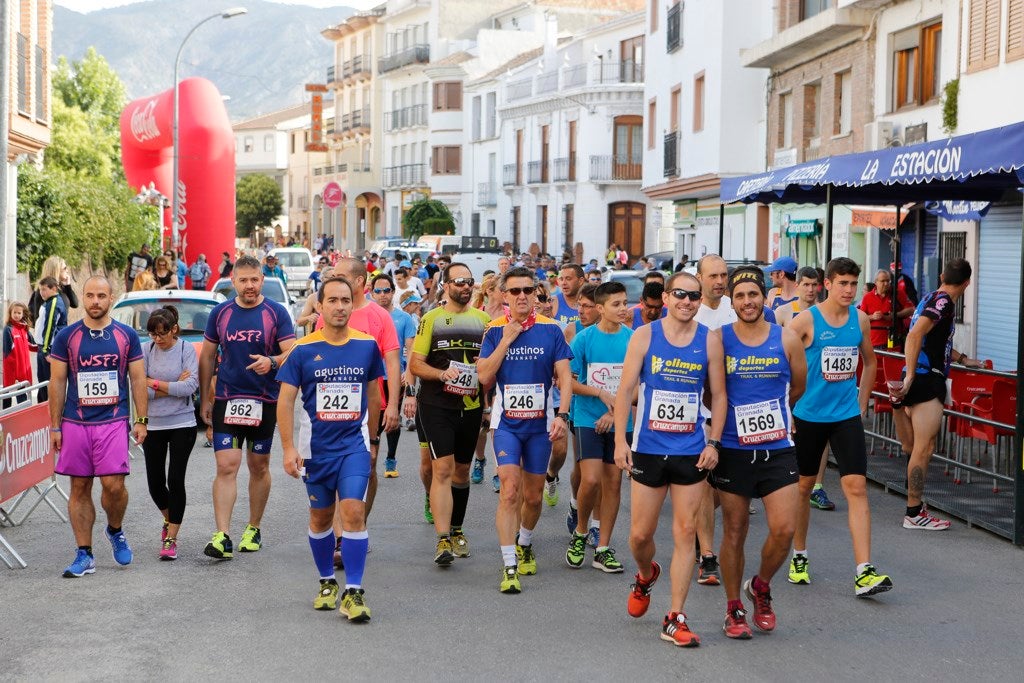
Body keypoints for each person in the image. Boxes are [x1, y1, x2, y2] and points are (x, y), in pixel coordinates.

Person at [615, 271, 725, 647]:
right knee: (640, 535)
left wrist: (714, 443)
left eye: (694, 296)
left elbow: (719, 396)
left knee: (685, 533)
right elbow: (626, 389)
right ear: (666, 297)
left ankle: (675, 617)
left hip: (690, 451)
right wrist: (620, 440)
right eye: (680, 294)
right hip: (647, 447)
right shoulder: (645, 337)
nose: (687, 301)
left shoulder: (709, 341)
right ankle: (646, 574)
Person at [278, 276, 384, 622]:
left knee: (353, 512)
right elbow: (286, 400)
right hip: (314, 450)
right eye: (333, 301)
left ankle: (353, 592)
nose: (340, 306)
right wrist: (288, 447)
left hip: (353, 446)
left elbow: (372, 396)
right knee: (320, 517)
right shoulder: (303, 349)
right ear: (319, 307)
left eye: (345, 300)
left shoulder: (367, 346)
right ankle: (327, 582)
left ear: (352, 305)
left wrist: (372, 441)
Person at [788, 257, 893, 597]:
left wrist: (862, 402)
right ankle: (799, 555)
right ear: (827, 284)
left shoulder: (860, 320)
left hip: (845, 416)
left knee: (857, 488)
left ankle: (865, 570)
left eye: (853, 284)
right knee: (803, 488)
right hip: (808, 415)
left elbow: (871, 361)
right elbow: (780, 360)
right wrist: (785, 408)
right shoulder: (805, 321)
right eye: (842, 284)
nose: (849, 290)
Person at [711, 267, 807, 638]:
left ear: (765, 296)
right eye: (739, 296)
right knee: (734, 530)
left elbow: (798, 385)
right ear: (731, 301)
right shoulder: (719, 339)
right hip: (734, 448)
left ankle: (761, 586)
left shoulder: (786, 339)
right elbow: (711, 392)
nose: (747, 302)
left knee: (784, 529)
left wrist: (777, 415)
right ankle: (734, 607)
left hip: (778, 447)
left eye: (753, 295)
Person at [477, 266, 572, 594]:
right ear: (504, 295)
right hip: (506, 425)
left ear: (536, 295)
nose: (521, 296)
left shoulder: (551, 330)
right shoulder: (493, 330)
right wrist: (506, 339)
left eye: (527, 291)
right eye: (514, 291)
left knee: (532, 496)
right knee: (510, 490)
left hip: (540, 426)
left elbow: (565, 376)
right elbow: (483, 375)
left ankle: (526, 541)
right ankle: (509, 564)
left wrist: (562, 415)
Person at [49, 276, 148, 577]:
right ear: (83, 296)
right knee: (79, 487)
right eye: (89, 295)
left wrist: (141, 419)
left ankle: (115, 530)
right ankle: (84, 553)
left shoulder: (126, 335)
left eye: (101, 296)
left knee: (113, 486)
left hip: (113, 420)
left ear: (111, 297)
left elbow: (138, 379)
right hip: (76, 422)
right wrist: (55, 427)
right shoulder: (67, 337)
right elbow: (57, 381)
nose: (94, 301)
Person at [198, 255, 296, 559]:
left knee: (259, 466)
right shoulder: (221, 313)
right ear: (234, 282)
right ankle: (222, 535)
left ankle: (253, 527)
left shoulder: (276, 313)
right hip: (227, 398)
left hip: (264, 401)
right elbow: (207, 357)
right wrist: (205, 398)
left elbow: (293, 352)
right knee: (226, 465)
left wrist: (273, 361)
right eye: (243, 280)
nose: (249, 286)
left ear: (262, 280)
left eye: (255, 280)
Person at [893, 258, 983, 530]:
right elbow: (914, 335)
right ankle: (913, 512)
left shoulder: (933, 297)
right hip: (924, 378)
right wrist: (910, 376)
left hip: (917, 375)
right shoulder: (943, 303)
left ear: (942, 275)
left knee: (913, 447)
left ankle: (915, 507)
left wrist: (963, 359)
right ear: (967, 283)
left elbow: (934, 341)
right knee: (925, 448)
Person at [409, 263, 490, 566]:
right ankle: (443, 539)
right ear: (445, 285)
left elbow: (490, 368)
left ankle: (457, 529)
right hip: (436, 405)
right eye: (459, 282)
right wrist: (442, 375)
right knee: (441, 469)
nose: (466, 287)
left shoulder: (484, 321)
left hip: (470, 406)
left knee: (461, 471)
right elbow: (415, 364)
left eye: (469, 281)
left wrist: (488, 404)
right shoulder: (431, 320)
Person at [565, 281, 632, 573]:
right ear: (601, 308)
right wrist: (601, 394)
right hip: (588, 418)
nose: (623, 309)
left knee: (613, 483)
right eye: (616, 304)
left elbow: (639, 385)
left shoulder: (633, 339)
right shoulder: (584, 339)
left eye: (624, 303)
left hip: (620, 421)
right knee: (590, 480)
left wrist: (616, 409)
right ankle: (581, 533)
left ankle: (602, 548)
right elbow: (570, 381)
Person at [776, 267, 837, 512]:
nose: (811, 290)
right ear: (798, 285)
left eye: (815, 285)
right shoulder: (783, 312)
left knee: (821, 437)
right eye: (806, 284)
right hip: (790, 383)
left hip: (818, 384)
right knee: (790, 434)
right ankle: (788, 481)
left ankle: (817, 486)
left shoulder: (827, 313)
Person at [141, 306, 200, 560]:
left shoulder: (186, 349)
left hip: (182, 423)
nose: (157, 339)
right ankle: (170, 517)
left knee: (175, 480)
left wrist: (153, 382)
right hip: (153, 424)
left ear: (174, 329)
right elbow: (138, 389)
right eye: (153, 334)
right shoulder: (145, 350)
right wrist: (170, 385)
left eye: (162, 334)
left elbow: (189, 387)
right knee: (155, 483)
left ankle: (172, 537)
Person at [369, 273, 416, 477]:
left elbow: (411, 348)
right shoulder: (365, 316)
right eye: (378, 291)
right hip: (371, 378)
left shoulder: (404, 318)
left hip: (394, 377)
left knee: (392, 416)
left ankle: (390, 458)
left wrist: (408, 371)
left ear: (393, 292)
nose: (382, 295)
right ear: (371, 293)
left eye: (386, 290)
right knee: (373, 419)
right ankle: (370, 458)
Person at [859, 269, 914, 349]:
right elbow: (860, 319)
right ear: (876, 282)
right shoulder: (868, 297)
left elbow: (911, 309)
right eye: (883, 281)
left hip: (894, 341)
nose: (886, 284)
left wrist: (894, 315)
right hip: (873, 342)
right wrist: (872, 317)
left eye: (888, 281)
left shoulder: (897, 293)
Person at [34, 277, 68, 403]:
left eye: (44, 289)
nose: (41, 292)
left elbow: (50, 327)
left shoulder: (54, 302)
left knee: (48, 383)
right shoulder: (48, 302)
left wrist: (46, 350)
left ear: (53, 288)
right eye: (40, 289)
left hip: (49, 348)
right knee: (42, 383)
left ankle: (49, 414)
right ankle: (42, 412)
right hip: (43, 346)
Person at [3, 302, 36, 409]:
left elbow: (33, 345)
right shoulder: (8, 329)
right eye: (15, 312)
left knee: (23, 401)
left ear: (23, 314)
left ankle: (22, 421)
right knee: (7, 395)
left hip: (23, 370)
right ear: (10, 313)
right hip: (13, 372)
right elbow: (8, 355)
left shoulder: (24, 329)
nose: (17, 315)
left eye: (19, 313)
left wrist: (48, 349)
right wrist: (14, 375)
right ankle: (4, 420)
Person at [29, 255, 78, 320]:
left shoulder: (62, 287)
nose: (67, 271)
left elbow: (75, 304)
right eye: (65, 268)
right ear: (56, 270)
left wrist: (68, 286)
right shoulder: (43, 290)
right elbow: (38, 317)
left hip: (62, 329)